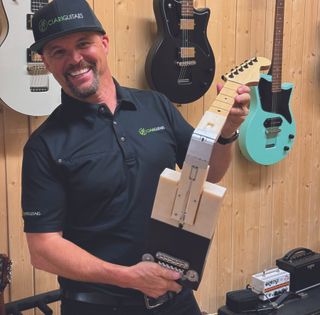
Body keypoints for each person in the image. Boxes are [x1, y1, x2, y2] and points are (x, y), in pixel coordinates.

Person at [21, 0, 251, 314]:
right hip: (99, 307)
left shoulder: (156, 105)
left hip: (175, 299)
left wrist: (227, 132)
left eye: (83, 43)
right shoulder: (44, 145)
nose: (75, 59)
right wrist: (129, 278)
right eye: (58, 51)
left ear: (104, 43)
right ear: (46, 63)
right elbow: (43, 249)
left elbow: (207, 174)